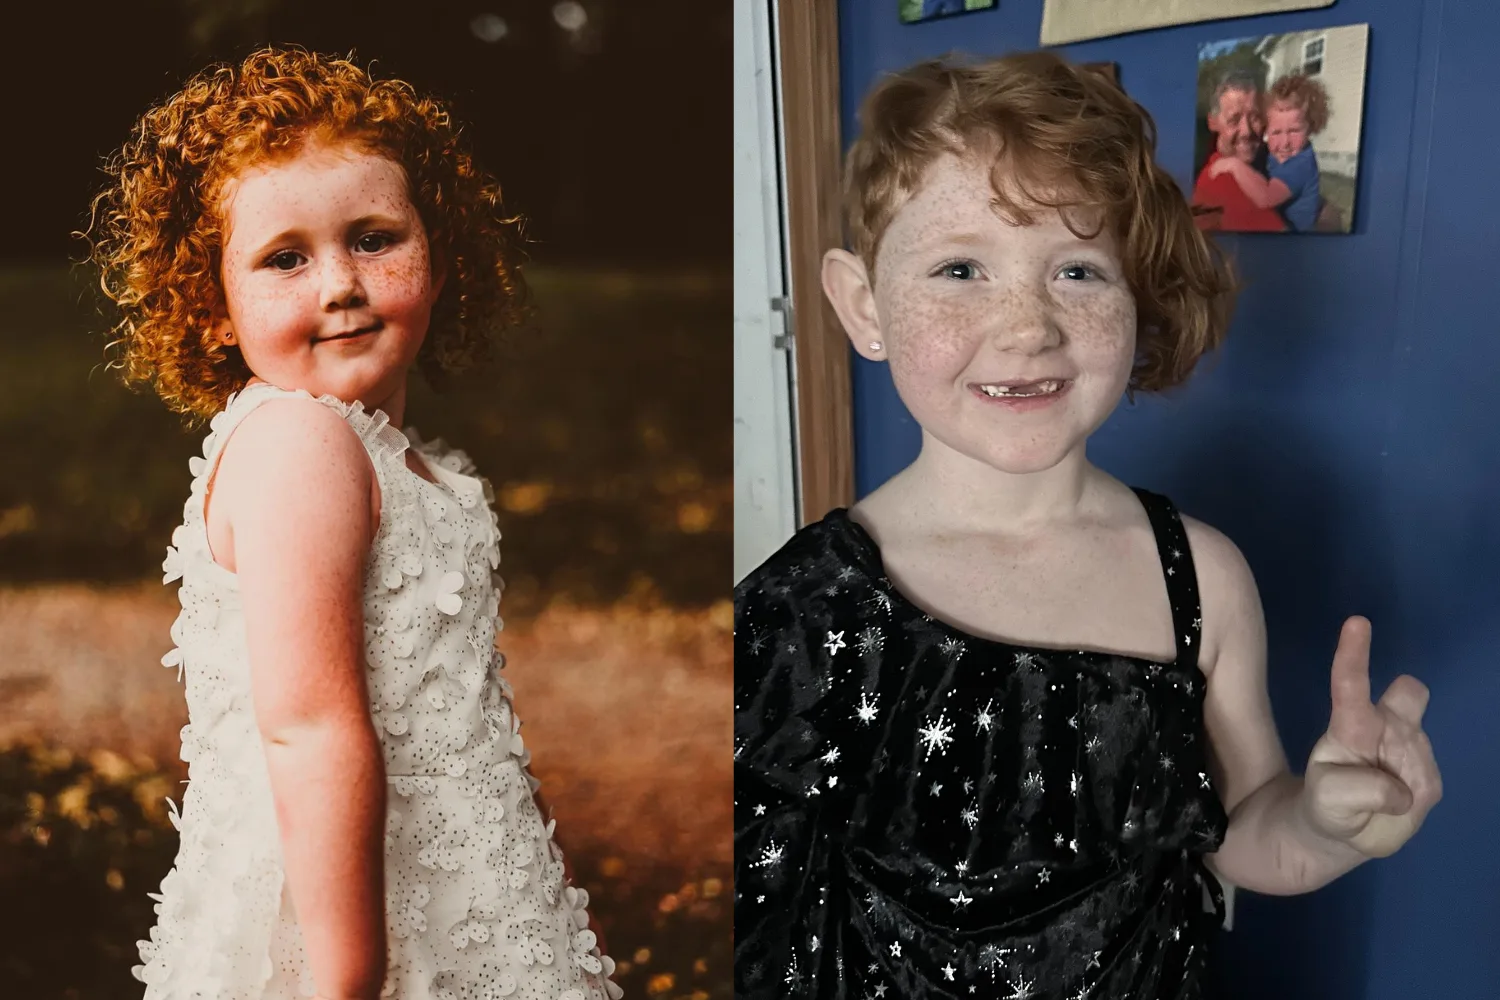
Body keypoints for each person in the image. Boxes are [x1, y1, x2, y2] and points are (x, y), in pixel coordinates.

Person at [734, 51, 1441, 999]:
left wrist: (1324, 825)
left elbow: (1244, 833)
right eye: (959, 268)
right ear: (864, 306)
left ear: (1134, 298)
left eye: (1076, 269)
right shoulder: (796, 612)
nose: (1028, 325)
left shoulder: (1201, 576)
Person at [86, 46, 621, 1000]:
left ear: (441, 257)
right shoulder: (301, 445)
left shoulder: (399, 458)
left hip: (457, 878)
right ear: (212, 306)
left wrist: (540, 878)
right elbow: (308, 728)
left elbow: (468, 718)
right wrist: (346, 977)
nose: (339, 281)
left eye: (374, 238)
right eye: (285, 258)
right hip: (350, 917)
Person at [1208, 73, 1331, 232]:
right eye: (1276, 133)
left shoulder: (1299, 163)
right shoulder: (1221, 182)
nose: (1285, 142)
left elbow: (1266, 197)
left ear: (1311, 127)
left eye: (1294, 131)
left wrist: (1235, 165)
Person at [1191, 70, 1286, 232]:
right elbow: (1295, 246)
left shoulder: (1262, 161)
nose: (1246, 131)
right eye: (1234, 120)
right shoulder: (1223, 180)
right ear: (1212, 122)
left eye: (1255, 117)